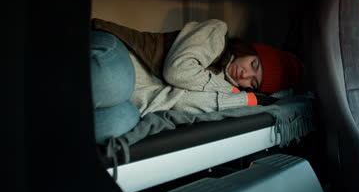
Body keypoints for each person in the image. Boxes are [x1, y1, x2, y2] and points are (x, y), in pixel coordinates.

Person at [90, 19, 304, 144]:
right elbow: (178, 71)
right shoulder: (217, 33)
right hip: (120, 55)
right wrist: (236, 94)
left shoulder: (226, 92)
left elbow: (182, 103)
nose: (245, 76)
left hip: (131, 100)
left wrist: (249, 99)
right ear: (250, 51)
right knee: (115, 83)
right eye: (254, 65)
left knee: (119, 124)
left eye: (254, 84)